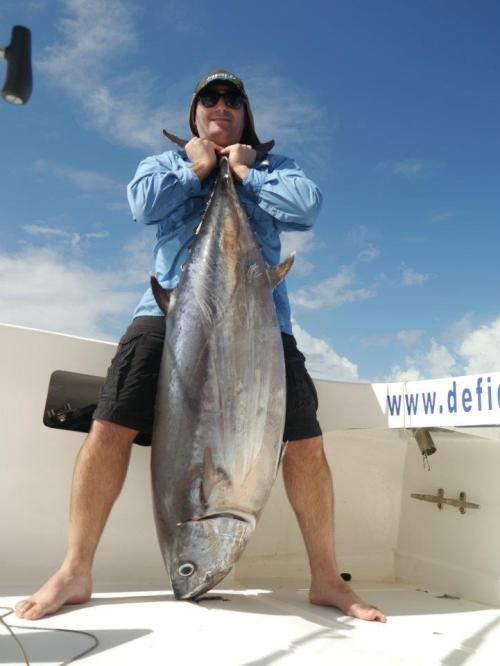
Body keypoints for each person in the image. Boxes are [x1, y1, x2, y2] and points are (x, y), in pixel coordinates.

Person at [15, 69, 386, 623]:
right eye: (210, 98)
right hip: (167, 315)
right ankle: (75, 569)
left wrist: (244, 172)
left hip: (260, 322)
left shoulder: (272, 165)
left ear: (244, 114)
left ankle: (326, 579)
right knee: (110, 426)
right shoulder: (164, 164)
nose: (221, 104)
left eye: (232, 99)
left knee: (306, 443)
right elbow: (144, 206)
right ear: (195, 113)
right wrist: (198, 169)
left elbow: (304, 209)